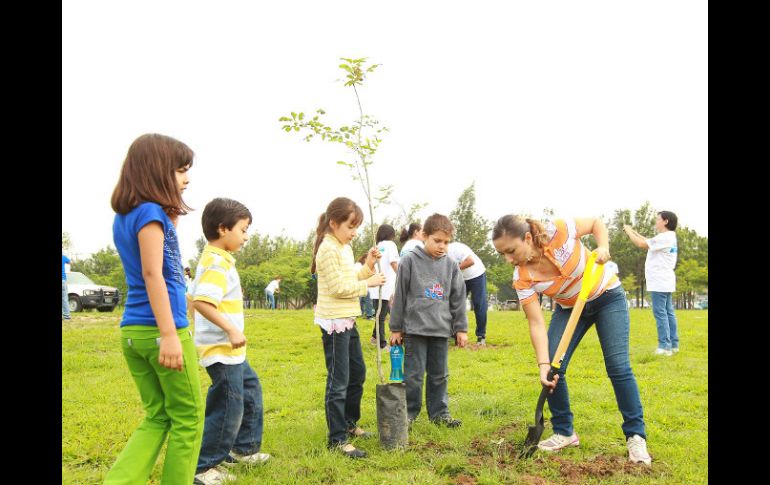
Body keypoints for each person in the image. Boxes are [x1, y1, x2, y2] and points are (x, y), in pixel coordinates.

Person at [492, 215, 651, 465]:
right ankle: (564, 432)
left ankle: (636, 437)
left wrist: (603, 246)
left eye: (511, 251)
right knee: (554, 370)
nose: (508, 259)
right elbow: (536, 322)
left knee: (618, 367)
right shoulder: (522, 277)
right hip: (569, 308)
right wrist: (543, 364)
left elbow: (595, 223)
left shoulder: (559, 230)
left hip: (606, 297)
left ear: (527, 238)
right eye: (503, 254)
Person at [105, 133, 204, 484]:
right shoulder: (148, 214)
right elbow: (153, 274)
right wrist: (169, 336)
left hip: (134, 332)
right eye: (180, 170)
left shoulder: (128, 215)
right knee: (189, 417)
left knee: (158, 415)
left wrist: (172, 220)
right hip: (161, 331)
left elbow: (161, 264)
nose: (186, 178)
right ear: (157, 172)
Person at [190, 198, 270, 484]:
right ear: (223, 229)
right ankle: (203, 467)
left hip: (231, 351)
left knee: (250, 390)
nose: (247, 237)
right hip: (221, 349)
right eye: (243, 230)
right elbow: (202, 302)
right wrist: (232, 330)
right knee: (228, 405)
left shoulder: (219, 259)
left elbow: (193, 297)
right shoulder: (215, 261)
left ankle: (244, 448)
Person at [312, 196, 386, 458]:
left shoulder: (343, 247)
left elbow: (351, 276)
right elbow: (338, 288)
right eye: (350, 227)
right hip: (333, 322)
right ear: (333, 223)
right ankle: (337, 439)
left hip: (348, 319)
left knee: (357, 373)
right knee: (338, 381)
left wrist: (368, 266)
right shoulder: (327, 249)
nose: (354, 233)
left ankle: (349, 423)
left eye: (357, 227)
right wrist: (370, 283)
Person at [389, 213, 468, 427]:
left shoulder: (451, 265)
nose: (442, 246)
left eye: (446, 242)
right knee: (413, 376)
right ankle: (409, 414)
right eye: (437, 240)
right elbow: (400, 296)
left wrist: (461, 328)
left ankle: (440, 414)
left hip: (441, 331)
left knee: (439, 375)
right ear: (424, 236)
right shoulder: (409, 261)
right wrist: (396, 327)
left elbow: (458, 298)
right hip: (415, 331)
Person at [623, 211, 679, 356]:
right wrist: (634, 231)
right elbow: (648, 240)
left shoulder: (664, 237)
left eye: (658, 219)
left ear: (665, 221)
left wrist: (629, 232)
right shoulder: (668, 237)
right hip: (665, 280)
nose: (656, 221)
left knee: (660, 313)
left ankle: (664, 346)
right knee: (668, 313)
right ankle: (673, 344)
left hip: (659, 281)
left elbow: (642, 244)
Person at [447, 242, 488, 345]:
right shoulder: (438, 255)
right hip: (461, 278)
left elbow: (470, 261)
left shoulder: (456, 248)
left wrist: (454, 269)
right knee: (454, 305)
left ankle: (481, 336)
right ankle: (454, 334)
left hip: (476, 275)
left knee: (479, 304)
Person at [369, 224, 399, 350]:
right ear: (391, 234)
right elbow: (394, 263)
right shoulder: (390, 245)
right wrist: (403, 277)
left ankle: (374, 337)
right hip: (385, 284)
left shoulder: (376, 246)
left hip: (375, 284)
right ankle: (382, 344)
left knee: (379, 313)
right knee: (381, 316)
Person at [356, 253, 375, 320]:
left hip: (362, 285)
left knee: (362, 300)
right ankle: (369, 315)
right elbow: (359, 276)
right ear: (365, 259)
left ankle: (361, 313)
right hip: (358, 285)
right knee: (366, 299)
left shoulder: (363, 265)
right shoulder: (358, 265)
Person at [62, 253, 71, 320]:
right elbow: (69, 262)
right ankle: (67, 317)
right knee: (64, 298)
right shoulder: (63, 257)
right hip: (63, 280)